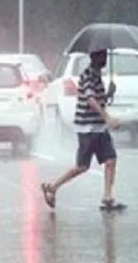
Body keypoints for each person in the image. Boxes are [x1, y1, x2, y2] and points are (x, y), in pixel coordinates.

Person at [41, 49, 122, 209]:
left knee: (111, 160)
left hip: (98, 127)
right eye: (101, 56)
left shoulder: (96, 75)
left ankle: (107, 197)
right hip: (88, 128)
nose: (104, 59)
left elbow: (97, 99)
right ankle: (52, 187)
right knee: (82, 166)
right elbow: (91, 100)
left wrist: (108, 94)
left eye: (105, 55)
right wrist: (107, 117)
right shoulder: (88, 76)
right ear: (94, 57)